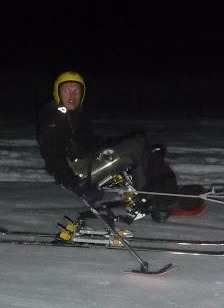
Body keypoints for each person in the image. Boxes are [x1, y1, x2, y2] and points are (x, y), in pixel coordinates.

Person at [37, 71, 179, 221]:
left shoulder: (75, 116)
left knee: (142, 151)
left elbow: (90, 144)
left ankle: (158, 192)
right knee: (137, 143)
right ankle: (148, 200)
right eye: (67, 91)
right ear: (58, 93)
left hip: (89, 161)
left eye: (76, 91)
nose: (72, 96)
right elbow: (53, 159)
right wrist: (77, 185)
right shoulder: (53, 121)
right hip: (78, 172)